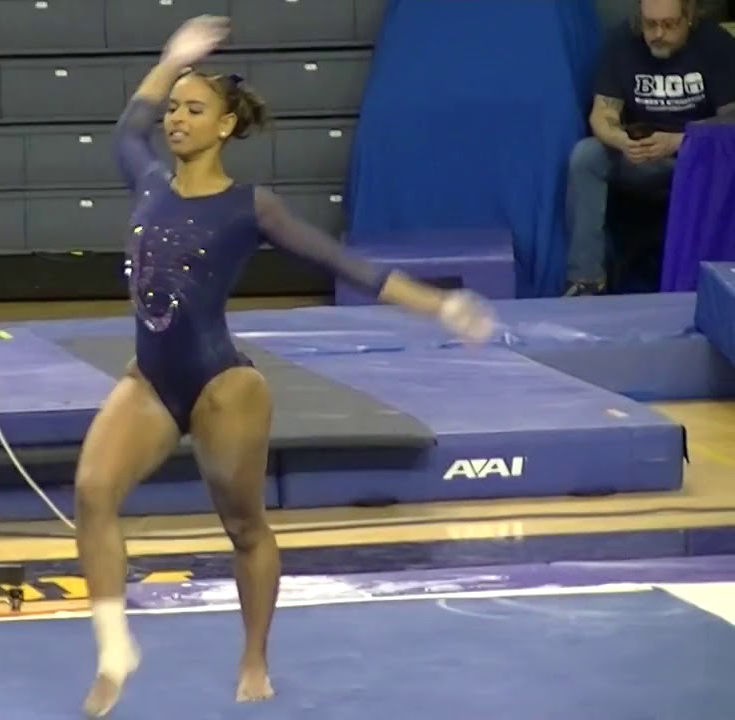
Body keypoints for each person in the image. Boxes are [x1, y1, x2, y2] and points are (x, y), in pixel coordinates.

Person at [73, 15, 497, 718]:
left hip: (222, 384)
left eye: (193, 109)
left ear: (226, 125)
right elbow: (127, 128)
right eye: (173, 108)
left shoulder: (249, 207)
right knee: (92, 491)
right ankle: (116, 649)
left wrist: (442, 307)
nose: (175, 119)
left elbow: (346, 265)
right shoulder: (147, 182)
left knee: (243, 526)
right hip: (150, 378)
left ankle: (254, 656)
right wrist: (174, 57)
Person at [565, 0, 735, 296]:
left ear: (689, 18)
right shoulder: (621, 42)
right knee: (587, 156)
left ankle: (705, 285)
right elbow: (602, 113)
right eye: (650, 24)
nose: (658, 34)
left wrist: (680, 141)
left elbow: (731, 122)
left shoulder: (716, 44)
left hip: (696, 162)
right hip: (640, 157)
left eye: (669, 25)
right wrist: (620, 140)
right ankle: (586, 280)